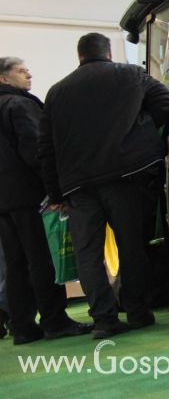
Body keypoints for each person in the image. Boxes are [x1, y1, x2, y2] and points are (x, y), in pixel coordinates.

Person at [38, 34, 169, 339]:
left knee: (88, 254)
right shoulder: (131, 75)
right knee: (131, 247)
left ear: (80, 56)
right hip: (126, 175)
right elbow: (168, 106)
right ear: (109, 52)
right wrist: (144, 134)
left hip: (77, 186)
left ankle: (104, 320)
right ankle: (139, 313)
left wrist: (56, 193)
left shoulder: (56, 92)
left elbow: (45, 148)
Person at [0, 57, 93, 345]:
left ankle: (23, 326)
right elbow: (34, 150)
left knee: (15, 264)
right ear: (3, 78)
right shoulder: (19, 105)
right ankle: (55, 321)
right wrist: (54, 190)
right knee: (41, 260)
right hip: (28, 196)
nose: (29, 73)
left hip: (4, 202)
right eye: (20, 70)